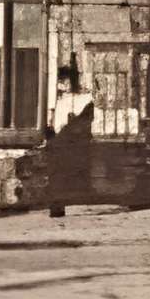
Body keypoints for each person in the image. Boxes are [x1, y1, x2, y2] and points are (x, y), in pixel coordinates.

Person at [39, 61, 96, 220]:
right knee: (56, 175)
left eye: (65, 81)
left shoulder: (81, 99)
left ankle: (59, 204)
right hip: (58, 141)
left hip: (67, 142)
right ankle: (57, 206)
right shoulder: (54, 99)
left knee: (60, 175)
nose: (62, 84)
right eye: (61, 81)